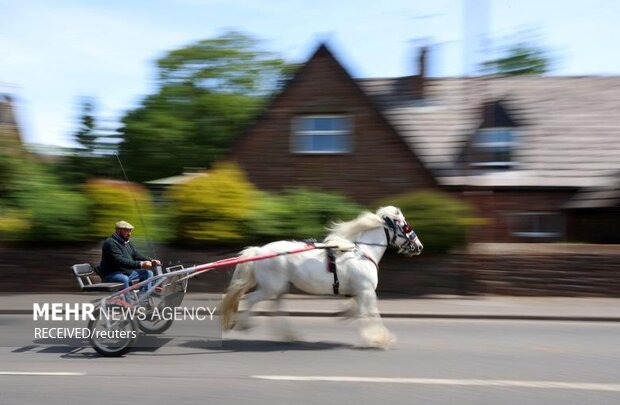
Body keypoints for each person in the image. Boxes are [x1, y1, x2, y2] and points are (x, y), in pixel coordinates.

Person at [99, 220, 160, 291]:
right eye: (127, 231)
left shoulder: (126, 242)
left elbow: (136, 255)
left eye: (130, 231)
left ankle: (143, 298)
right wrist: (141, 264)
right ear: (118, 231)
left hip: (126, 273)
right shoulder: (111, 243)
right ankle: (128, 301)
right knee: (124, 279)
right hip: (111, 274)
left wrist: (151, 260)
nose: (129, 234)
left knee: (148, 273)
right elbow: (120, 261)